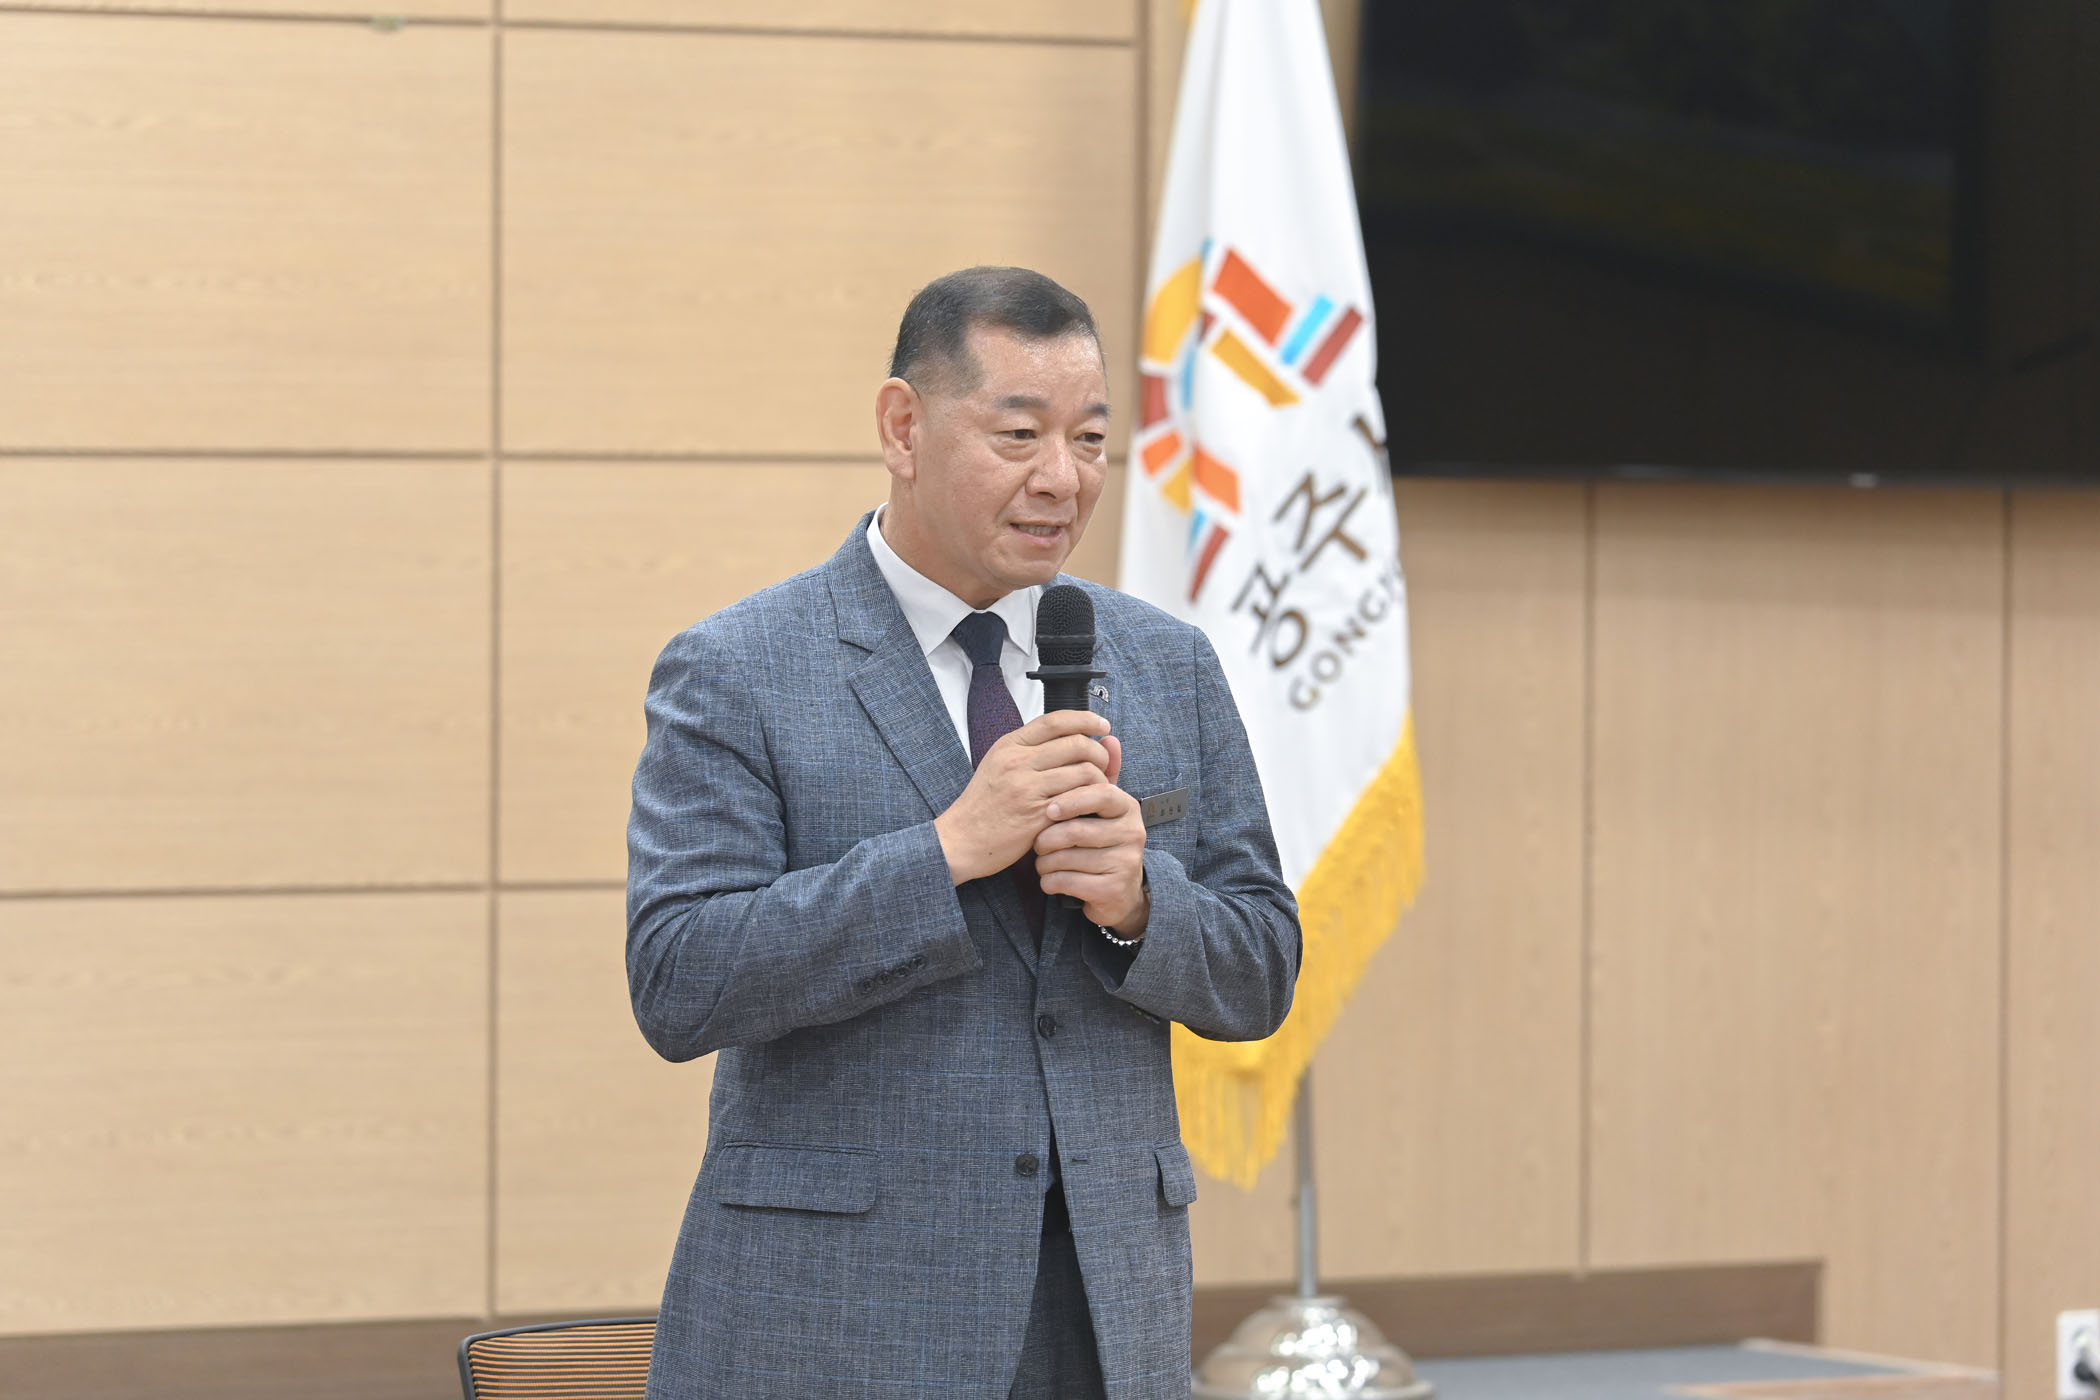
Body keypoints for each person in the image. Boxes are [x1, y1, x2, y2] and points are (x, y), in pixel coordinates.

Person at [625, 266, 1300, 1400]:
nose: (1062, 478)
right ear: (903, 427)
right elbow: (680, 979)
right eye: (1019, 434)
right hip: (840, 1317)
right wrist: (943, 852)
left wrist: (1141, 904)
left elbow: (1263, 966)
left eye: (1091, 439)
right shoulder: (740, 667)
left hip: (1105, 1311)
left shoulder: (1166, 662)